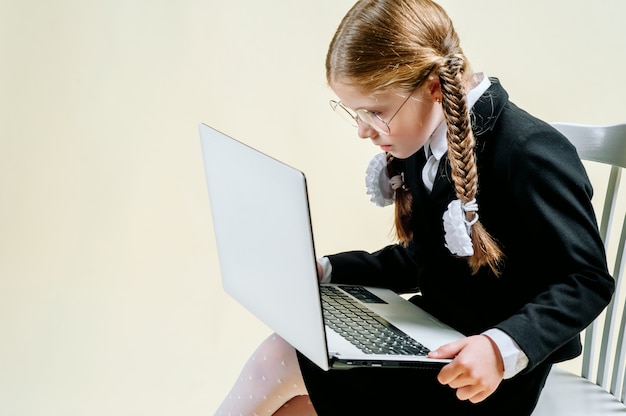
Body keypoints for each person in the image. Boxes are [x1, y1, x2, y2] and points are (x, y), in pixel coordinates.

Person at [214, 0, 614, 414]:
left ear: (434, 88)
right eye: (354, 113)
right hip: (434, 335)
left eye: (376, 112)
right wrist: (326, 272)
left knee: (282, 357)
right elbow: (424, 262)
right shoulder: (425, 136)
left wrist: (498, 350)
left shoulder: (529, 151)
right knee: (297, 384)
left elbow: (586, 280)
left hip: (485, 375)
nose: (363, 130)